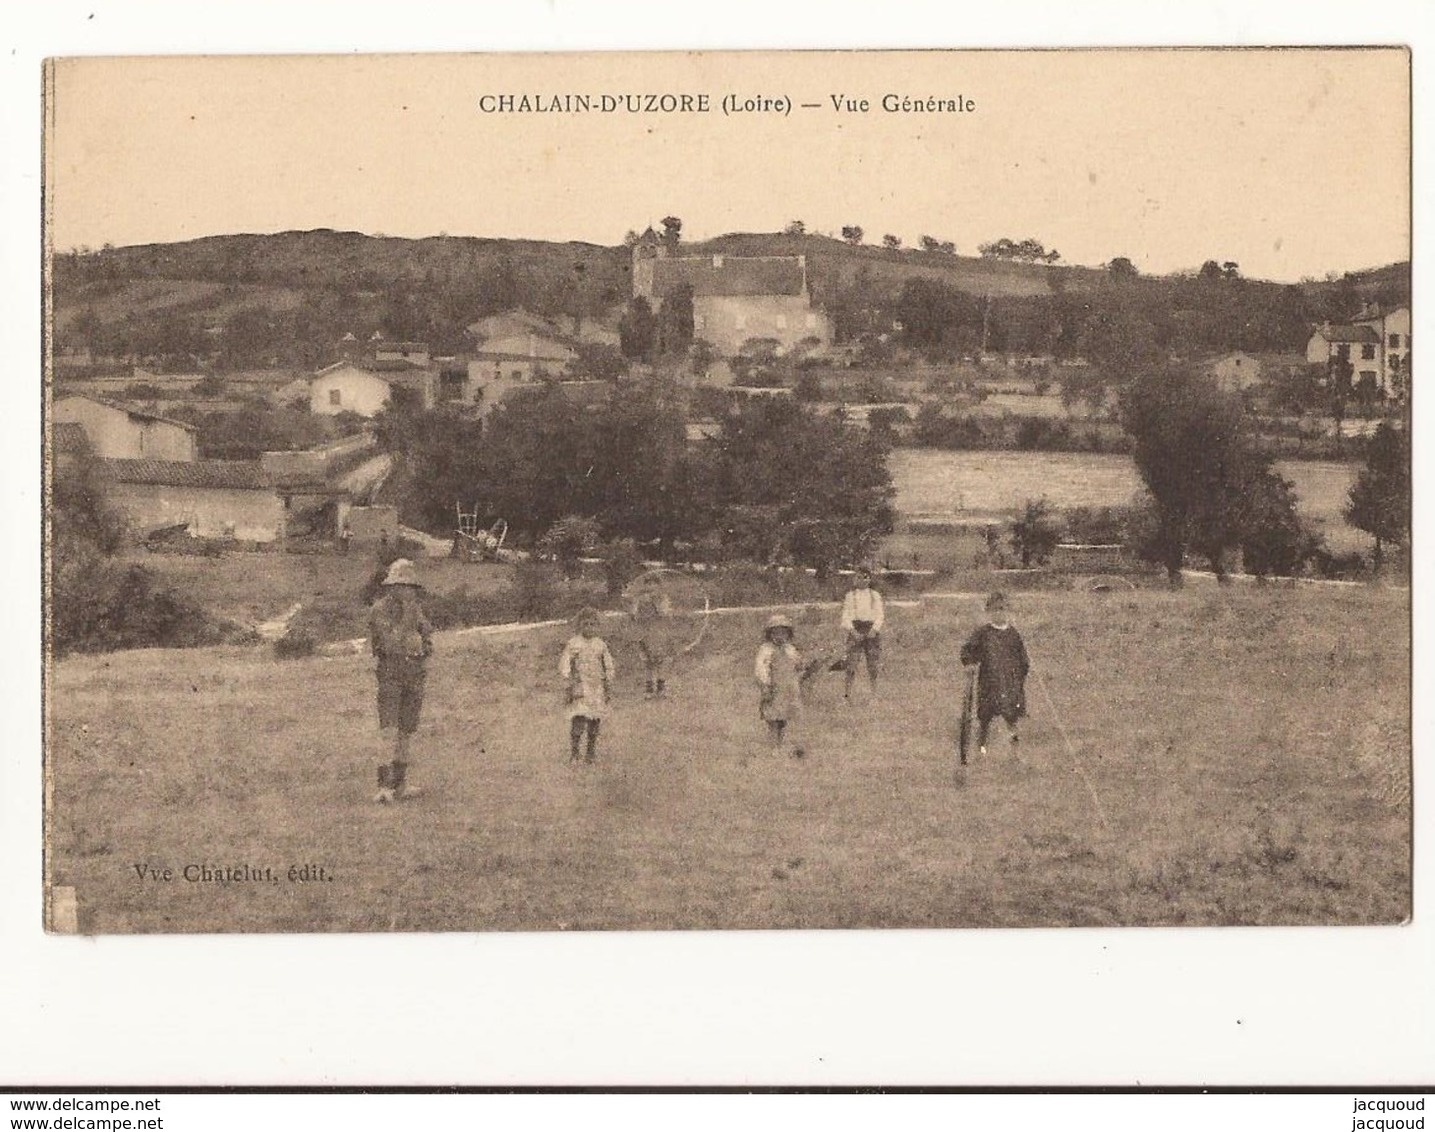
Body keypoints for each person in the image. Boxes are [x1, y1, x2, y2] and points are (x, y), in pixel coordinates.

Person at [367, 558, 433, 803]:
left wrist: (423, 649)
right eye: (402, 585)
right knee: (389, 729)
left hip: (414, 674)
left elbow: (427, 635)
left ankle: (400, 784)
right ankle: (384, 786)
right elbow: (390, 642)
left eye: (410, 586)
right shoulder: (379, 610)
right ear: (392, 587)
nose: (407, 591)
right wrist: (408, 620)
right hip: (390, 673)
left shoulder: (415, 609)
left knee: (407, 729)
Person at [960, 591, 1030, 756]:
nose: (1000, 613)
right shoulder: (983, 633)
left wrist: (1020, 674)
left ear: (1009, 611)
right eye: (996, 609)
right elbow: (968, 650)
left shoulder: (1013, 634)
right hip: (989, 681)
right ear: (989, 612)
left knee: (1011, 715)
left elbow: (1023, 658)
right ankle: (982, 749)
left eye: (1003, 609)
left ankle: (1015, 749)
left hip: (1011, 682)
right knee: (985, 716)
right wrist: (969, 663)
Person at [560, 607, 616, 764]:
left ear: (597, 626)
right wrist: (569, 679)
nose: (589, 628)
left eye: (593, 624)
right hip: (581, 686)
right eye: (586, 624)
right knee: (578, 718)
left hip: (596, 687)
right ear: (580, 626)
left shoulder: (600, 645)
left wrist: (608, 680)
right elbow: (565, 663)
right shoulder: (574, 644)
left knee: (594, 719)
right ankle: (575, 753)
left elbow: (608, 664)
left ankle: (590, 752)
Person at [755, 613, 805, 758]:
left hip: (788, 689)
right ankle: (773, 748)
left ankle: (780, 744)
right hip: (773, 689)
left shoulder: (790, 649)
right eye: (775, 633)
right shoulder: (766, 650)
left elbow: (798, 664)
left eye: (783, 633)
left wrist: (801, 666)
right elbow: (760, 668)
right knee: (772, 720)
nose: (779, 636)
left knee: (783, 719)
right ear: (770, 634)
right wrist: (765, 684)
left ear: (788, 634)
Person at [840, 566, 885, 700]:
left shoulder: (874, 595)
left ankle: (874, 696)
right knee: (851, 664)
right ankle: (847, 695)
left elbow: (880, 615)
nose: (862, 580)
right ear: (854, 579)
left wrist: (874, 630)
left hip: (871, 631)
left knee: (873, 665)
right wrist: (853, 631)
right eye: (859, 577)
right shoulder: (850, 596)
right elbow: (845, 616)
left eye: (865, 577)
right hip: (855, 630)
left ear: (870, 579)